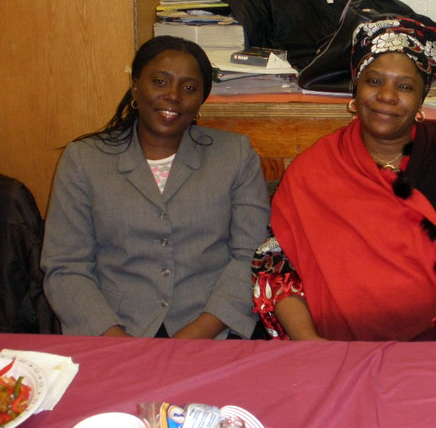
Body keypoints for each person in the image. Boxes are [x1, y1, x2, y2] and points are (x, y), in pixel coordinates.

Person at [252, 16, 436, 340]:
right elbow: (276, 264)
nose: (387, 95)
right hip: (328, 348)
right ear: (356, 88)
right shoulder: (312, 170)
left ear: (422, 98)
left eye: (405, 86)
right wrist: (311, 344)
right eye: (374, 81)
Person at [42, 36, 269, 339]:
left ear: (201, 100)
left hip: (213, 330)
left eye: (189, 88)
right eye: (160, 82)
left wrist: (194, 337)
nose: (173, 95)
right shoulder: (84, 160)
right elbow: (66, 267)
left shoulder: (235, 155)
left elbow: (250, 257)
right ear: (136, 86)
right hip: (113, 331)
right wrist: (114, 341)